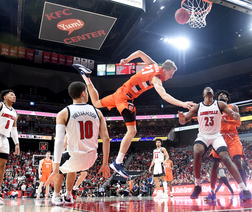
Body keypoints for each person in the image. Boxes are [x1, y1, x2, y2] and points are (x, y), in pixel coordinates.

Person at [73, 50, 195, 178]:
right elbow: (164, 95)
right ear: (165, 70)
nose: (171, 76)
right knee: (132, 131)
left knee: (97, 103)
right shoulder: (156, 78)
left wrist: (127, 59)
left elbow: (139, 52)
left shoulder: (152, 65)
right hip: (125, 98)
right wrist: (182, 104)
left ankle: (86, 77)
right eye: (171, 73)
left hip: (121, 92)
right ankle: (118, 162)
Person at [178, 87, 252, 201]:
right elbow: (184, 121)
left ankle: (243, 188)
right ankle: (198, 185)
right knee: (198, 153)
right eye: (206, 89)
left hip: (218, 136)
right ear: (203, 94)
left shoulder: (220, 104)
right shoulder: (199, 106)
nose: (208, 89)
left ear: (212, 94)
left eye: (210, 89)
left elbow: (233, 115)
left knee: (227, 159)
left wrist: (234, 115)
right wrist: (182, 119)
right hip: (203, 136)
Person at [44, 81, 110, 205]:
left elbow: (59, 140)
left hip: (74, 156)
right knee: (71, 167)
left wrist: (55, 168)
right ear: (83, 93)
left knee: (63, 166)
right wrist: (105, 163)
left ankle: (57, 196)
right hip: (91, 159)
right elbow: (106, 139)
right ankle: (69, 195)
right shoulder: (98, 112)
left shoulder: (64, 112)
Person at [208, 90, 248, 200]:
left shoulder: (233, 107)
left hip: (232, 137)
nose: (222, 95)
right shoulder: (214, 109)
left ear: (227, 99)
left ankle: (244, 190)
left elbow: (239, 123)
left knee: (237, 161)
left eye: (224, 95)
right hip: (219, 137)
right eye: (220, 95)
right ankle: (212, 192)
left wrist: (226, 122)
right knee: (215, 164)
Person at [0, 89, 20, 204]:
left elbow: (14, 129)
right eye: (11, 94)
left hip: (5, 139)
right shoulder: (1, 105)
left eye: (15, 94)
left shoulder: (14, 112)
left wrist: (16, 143)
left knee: (2, 166)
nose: (14, 96)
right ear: (5, 97)